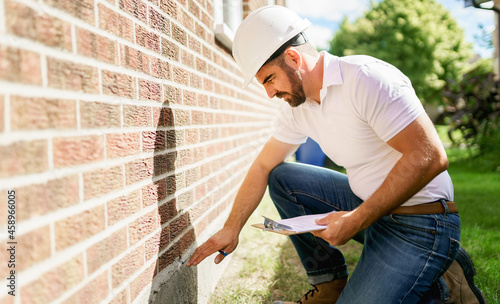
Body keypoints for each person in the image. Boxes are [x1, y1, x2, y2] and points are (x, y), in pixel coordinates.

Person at [187, 5, 486, 304]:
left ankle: (441, 286)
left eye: (269, 79)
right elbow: (264, 164)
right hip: (373, 211)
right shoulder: (298, 108)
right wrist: (231, 228)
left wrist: (357, 219)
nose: (270, 93)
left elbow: (430, 156)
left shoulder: (367, 79)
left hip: (422, 225)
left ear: (293, 58)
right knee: (282, 177)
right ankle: (330, 284)